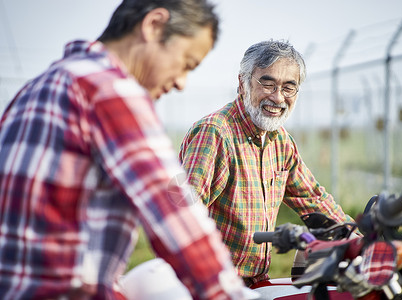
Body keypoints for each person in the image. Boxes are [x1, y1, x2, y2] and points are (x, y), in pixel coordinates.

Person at [0, 1, 245, 299]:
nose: (181, 82)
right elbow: (172, 214)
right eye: (186, 63)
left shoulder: (34, 90)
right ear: (153, 25)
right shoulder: (109, 89)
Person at [179, 39, 357, 286]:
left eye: (288, 87)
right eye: (268, 83)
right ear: (242, 83)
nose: (278, 97)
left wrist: (359, 240)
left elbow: (313, 199)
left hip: (255, 282)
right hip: (211, 284)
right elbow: (180, 214)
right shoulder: (215, 133)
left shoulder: (280, 140)